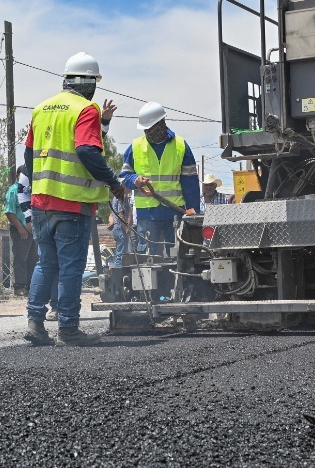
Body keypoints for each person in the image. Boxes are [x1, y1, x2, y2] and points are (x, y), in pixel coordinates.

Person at [23, 52, 124, 345]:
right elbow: (86, 151)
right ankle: (68, 329)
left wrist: (41, 182)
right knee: (70, 268)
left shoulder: (41, 109)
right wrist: (113, 183)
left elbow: (28, 154)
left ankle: (36, 324)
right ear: (89, 83)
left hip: (42, 201)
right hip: (72, 203)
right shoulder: (86, 108)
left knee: (45, 264)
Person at [122, 102, 200, 260]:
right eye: (145, 128)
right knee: (149, 262)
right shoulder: (135, 147)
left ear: (161, 123)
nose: (147, 132)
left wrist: (193, 210)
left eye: (150, 127)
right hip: (147, 216)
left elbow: (190, 181)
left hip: (175, 215)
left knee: (180, 258)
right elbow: (124, 176)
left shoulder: (180, 146)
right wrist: (134, 180)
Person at [2, 161, 35, 295]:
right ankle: (19, 286)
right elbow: (9, 212)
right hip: (20, 229)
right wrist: (20, 228)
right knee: (21, 258)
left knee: (33, 259)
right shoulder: (13, 191)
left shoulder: (31, 189)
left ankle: (31, 286)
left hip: (33, 230)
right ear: (17, 177)